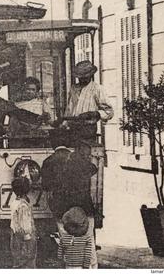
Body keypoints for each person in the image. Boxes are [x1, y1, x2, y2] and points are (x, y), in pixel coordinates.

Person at [41, 137, 98, 268]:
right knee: (89, 244)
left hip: (62, 210)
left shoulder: (48, 162)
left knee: (67, 243)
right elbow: (93, 169)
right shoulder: (78, 160)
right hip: (84, 208)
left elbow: (45, 186)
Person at [62, 60, 113, 142]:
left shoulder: (97, 89)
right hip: (73, 128)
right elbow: (69, 108)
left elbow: (109, 112)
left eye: (85, 77)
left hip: (88, 129)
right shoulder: (74, 88)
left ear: (90, 75)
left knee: (86, 151)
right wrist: (65, 123)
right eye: (80, 77)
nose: (82, 79)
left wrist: (94, 114)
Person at [10, 177, 37, 268]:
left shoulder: (14, 202)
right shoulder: (23, 206)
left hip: (15, 235)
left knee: (17, 261)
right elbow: (25, 225)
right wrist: (28, 239)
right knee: (28, 262)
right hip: (25, 239)